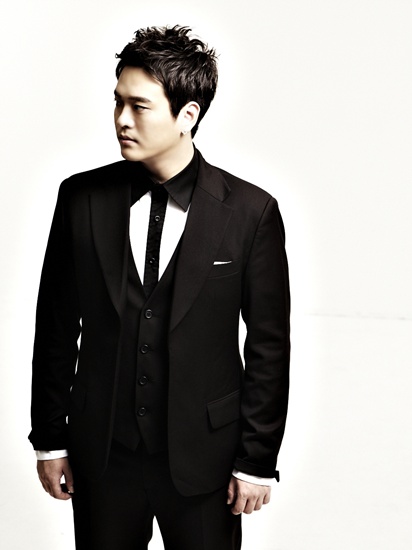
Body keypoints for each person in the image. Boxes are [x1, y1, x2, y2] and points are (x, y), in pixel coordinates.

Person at [29, 25, 290, 550]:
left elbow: (268, 345)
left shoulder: (250, 212)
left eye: (140, 106)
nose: (122, 119)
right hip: (103, 455)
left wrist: (257, 460)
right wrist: (50, 439)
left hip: (205, 460)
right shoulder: (80, 198)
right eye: (118, 102)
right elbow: (55, 325)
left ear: (187, 114)